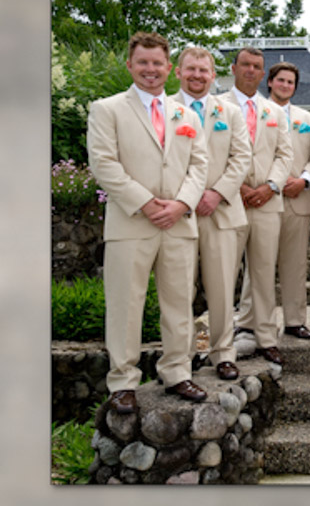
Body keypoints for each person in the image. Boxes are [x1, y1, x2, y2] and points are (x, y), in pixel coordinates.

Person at [87, 32, 210, 411]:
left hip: (178, 223)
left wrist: (181, 204)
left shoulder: (187, 115)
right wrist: (144, 203)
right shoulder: (107, 109)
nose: (150, 70)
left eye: (157, 63)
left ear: (169, 68)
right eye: (143, 62)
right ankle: (123, 381)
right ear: (130, 65)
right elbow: (104, 164)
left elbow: (199, 166)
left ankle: (177, 372)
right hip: (131, 224)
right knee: (126, 305)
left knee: (178, 302)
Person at [175, 46, 250, 382]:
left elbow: (241, 158)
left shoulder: (229, 112)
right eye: (191, 69)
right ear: (178, 72)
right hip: (179, 213)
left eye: (204, 70)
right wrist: (188, 198)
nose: (197, 76)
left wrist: (217, 193)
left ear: (213, 74)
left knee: (221, 287)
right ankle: (181, 356)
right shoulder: (166, 109)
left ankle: (223, 353)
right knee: (179, 288)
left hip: (220, 211)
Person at [230, 47, 292, 366]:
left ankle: (266, 337)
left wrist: (270, 187)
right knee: (224, 272)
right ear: (234, 68)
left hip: (267, 202)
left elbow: (285, 155)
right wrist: (234, 186)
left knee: (265, 272)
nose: (251, 70)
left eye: (257, 66)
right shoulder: (217, 107)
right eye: (246, 65)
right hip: (229, 201)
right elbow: (208, 152)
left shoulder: (275, 112)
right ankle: (220, 341)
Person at [264, 62, 310, 341]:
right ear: (271, 82)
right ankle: (255, 323)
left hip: (298, 197)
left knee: (296, 265)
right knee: (259, 264)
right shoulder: (255, 113)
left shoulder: (308, 119)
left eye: (290, 82)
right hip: (263, 199)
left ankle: (295, 320)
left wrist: (304, 180)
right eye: (281, 80)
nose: (286, 85)